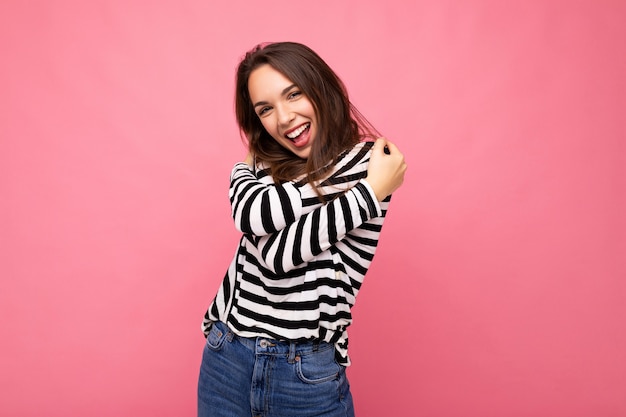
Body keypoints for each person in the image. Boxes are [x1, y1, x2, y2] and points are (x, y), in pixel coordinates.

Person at [198, 41, 407, 417]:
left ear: (319, 87)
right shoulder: (272, 163)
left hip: (303, 372)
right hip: (227, 355)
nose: (284, 118)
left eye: (293, 94)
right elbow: (252, 214)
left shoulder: (368, 164)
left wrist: (370, 190)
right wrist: (246, 165)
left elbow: (278, 257)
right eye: (265, 109)